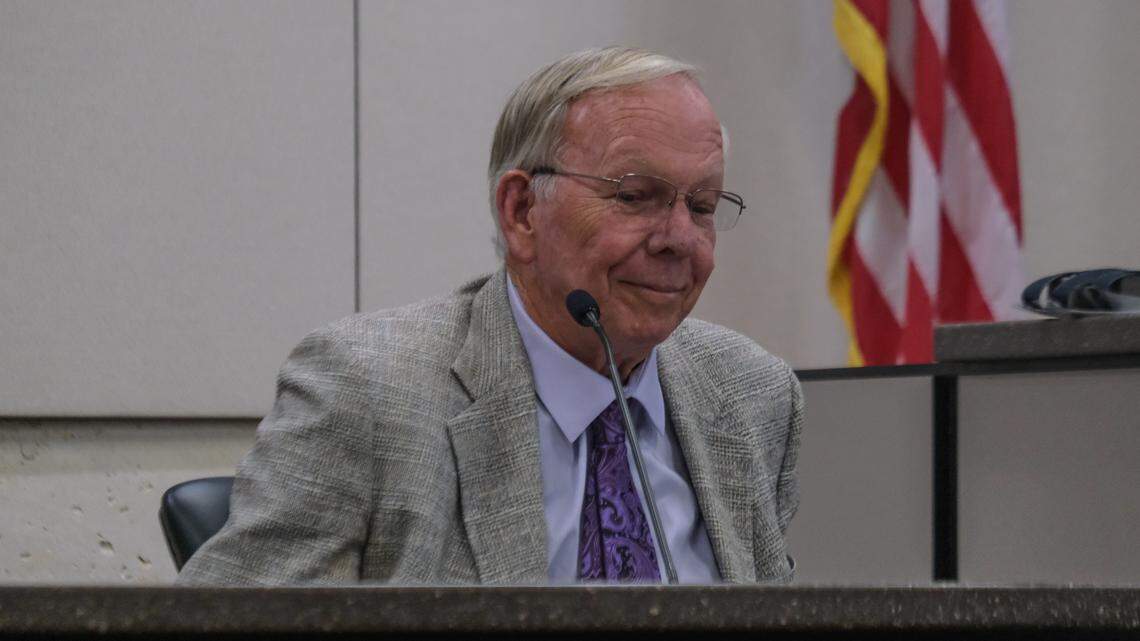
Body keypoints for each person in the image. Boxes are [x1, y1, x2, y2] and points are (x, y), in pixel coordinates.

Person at [177, 46, 802, 586]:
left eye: (702, 205)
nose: (680, 239)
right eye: (636, 197)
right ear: (522, 210)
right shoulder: (366, 390)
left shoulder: (751, 394)